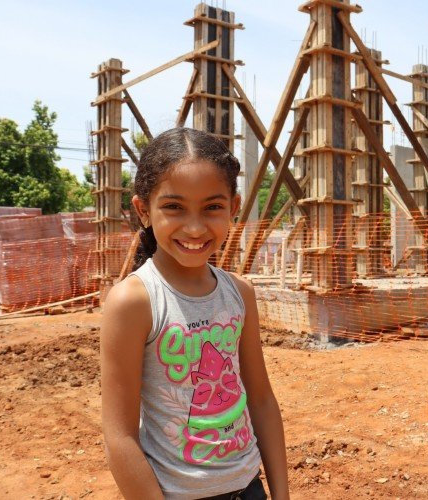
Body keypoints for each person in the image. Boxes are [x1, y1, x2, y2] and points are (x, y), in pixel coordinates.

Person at [100, 128, 289, 500]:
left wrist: (281, 495)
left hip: (249, 489)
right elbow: (119, 437)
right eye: (174, 207)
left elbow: (262, 400)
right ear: (144, 211)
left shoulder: (240, 294)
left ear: (233, 209)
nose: (195, 227)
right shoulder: (134, 301)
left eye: (212, 207)